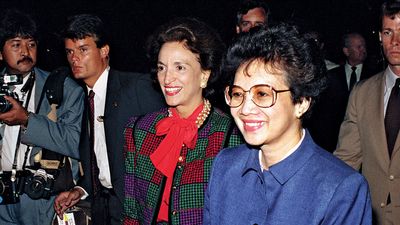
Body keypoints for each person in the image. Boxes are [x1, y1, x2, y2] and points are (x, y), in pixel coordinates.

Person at [204, 23, 372, 225]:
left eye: (262, 94)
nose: (245, 109)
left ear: (301, 102)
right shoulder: (225, 166)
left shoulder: (341, 188)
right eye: (238, 94)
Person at [123, 17, 243, 225]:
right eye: (161, 68)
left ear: (205, 75)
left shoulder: (231, 137)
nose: (167, 79)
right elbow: (131, 214)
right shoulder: (139, 131)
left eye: (180, 68)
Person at [53, 14, 165, 225]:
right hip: (104, 208)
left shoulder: (137, 88)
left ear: (104, 50)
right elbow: (100, 158)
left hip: (139, 209)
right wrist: (81, 189)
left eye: (83, 49)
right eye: (69, 52)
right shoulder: (86, 97)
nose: (74, 58)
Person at [0, 9, 84, 225]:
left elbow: (77, 143)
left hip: (43, 199)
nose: (26, 51)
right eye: (16, 44)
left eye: (31, 44)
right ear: (1, 52)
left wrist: (27, 120)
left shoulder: (63, 89)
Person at [334, 1, 400, 224]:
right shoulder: (362, 93)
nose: (395, 42)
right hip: (371, 216)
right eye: (388, 32)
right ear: (380, 37)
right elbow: (347, 159)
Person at [307, 32, 379, 152]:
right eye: (358, 47)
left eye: (364, 46)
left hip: (365, 140)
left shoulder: (375, 76)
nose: (363, 50)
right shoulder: (331, 76)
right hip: (333, 141)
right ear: (346, 51)